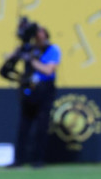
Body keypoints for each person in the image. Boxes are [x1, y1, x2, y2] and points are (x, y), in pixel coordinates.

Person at [8, 24, 61, 168]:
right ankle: (19, 159)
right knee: (23, 126)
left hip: (45, 90)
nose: (37, 35)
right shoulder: (29, 49)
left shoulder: (52, 49)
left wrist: (31, 60)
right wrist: (18, 52)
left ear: (46, 35)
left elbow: (48, 70)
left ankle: (38, 160)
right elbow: (10, 61)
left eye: (40, 32)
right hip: (28, 90)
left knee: (41, 126)